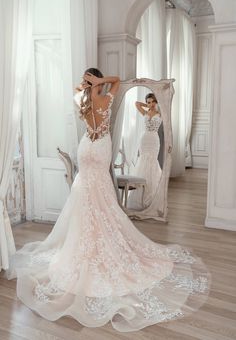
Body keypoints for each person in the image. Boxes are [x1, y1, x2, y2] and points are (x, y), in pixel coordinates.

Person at [6, 68, 211, 332]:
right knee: (101, 191)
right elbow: (115, 81)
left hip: (85, 147)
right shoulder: (106, 98)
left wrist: (87, 85)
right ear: (97, 80)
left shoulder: (82, 99)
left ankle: (86, 240)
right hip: (100, 147)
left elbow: (76, 90)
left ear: (85, 81)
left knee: (86, 192)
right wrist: (101, 82)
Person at [128, 93, 163, 210]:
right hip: (144, 141)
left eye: (153, 101)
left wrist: (155, 105)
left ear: (157, 102)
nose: (151, 104)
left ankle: (152, 196)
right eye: (149, 102)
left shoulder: (161, 113)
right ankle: (139, 196)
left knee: (152, 163)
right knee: (143, 162)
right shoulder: (145, 112)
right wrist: (147, 106)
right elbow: (137, 104)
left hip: (154, 140)